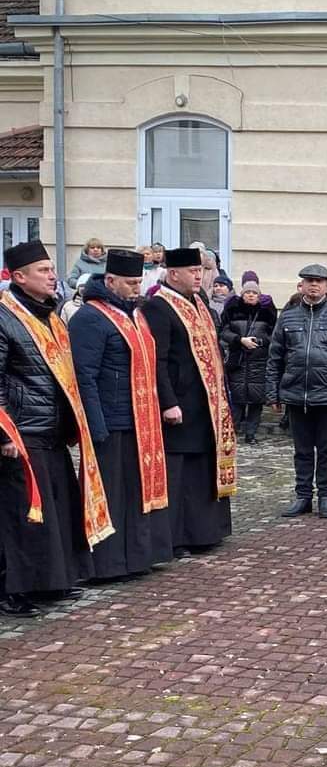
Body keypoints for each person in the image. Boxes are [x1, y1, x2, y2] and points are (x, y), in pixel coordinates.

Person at [0, 240, 113, 618]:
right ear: (19, 277)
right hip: (20, 432)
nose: (53, 276)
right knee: (21, 515)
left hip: (50, 429)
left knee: (53, 512)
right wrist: (4, 436)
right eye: (44, 271)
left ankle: (49, 582)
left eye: (52, 270)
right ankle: (11, 589)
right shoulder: (5, 316)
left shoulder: (49, 315)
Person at [69, 249, 172, 580]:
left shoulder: (135, 314)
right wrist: (95, 426)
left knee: (135, 494)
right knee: (111, 495)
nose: (136, 288)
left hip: (141, 421)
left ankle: (136, 558)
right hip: (110, 422)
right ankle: (108, 564)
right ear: (109, 281)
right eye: (130, 283)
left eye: (140, 282)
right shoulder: (90, 317)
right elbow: (84, 376)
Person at [142, 247, 236, 557]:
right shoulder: (158, 307)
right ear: (173, 274)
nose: (199, 276)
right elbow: (158, 360)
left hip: (207, 403)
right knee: (180, 475)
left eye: (201, 271)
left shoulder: (200, 304)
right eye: (192, 271)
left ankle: (205, 532)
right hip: (180, 404)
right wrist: (168, 401)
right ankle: (178, 537)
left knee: (201, 470)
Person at [266, 264, 327, 519]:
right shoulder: (288, 317)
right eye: (309, 281)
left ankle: (326, 496)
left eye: (319, 281)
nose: (314, 285)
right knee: (302, 449)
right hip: (296, 393)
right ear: (302, 285)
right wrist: (272, 393)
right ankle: (303, 496)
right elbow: (275, 357)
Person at [219, 280, 277, 445]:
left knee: (256, 401)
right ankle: (234, 432)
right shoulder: (233, 310)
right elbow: (223, 331)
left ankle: (251, 434)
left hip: (259, 361)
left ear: (259, 296)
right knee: (236, 400)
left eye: (254, 293)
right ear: (242, 294)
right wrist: (240, 340)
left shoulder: (268, 313)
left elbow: (274, 336)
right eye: (248, 292)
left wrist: (260, 341)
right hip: (238, 360)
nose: (251, 295)